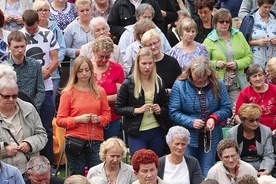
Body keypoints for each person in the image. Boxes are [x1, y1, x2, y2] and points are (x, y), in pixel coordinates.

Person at [168, 57, 232, 178]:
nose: (200, 80)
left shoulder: (218, 84)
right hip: (187, 136)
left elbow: (227, 108)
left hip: (211, 136)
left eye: (204, 77)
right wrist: (191, 121)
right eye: (197, 76)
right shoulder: (180, 85)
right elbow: (173, 112)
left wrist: (214, 118)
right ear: (191, 72)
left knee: (207, 170)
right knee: (188, 170)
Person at [56, 56, 111, 175]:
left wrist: (99, 119)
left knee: (97, 175)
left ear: (92, 71)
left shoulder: (99, 91)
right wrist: (77, 119)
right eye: (80, 71)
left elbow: (107, 115)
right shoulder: (68, 93)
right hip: (75, 139)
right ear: (75, 73)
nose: (84, 74)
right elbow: (60, 120)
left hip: (95, 139)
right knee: (78, 175)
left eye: (87, 70)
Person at [21, 9, 59, 165]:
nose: (31, 32)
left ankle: (47, 164)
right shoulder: (19, 35)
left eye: (34, 28)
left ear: (39, 21)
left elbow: (55, 59)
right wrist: (37, 72)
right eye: (28, 29)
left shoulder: (48, 34)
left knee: (46, 129)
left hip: (47, 87)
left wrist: (47, 72)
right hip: (25, 89)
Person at [115, 47, 168, 157]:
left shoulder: (158, 81)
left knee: (155, 164)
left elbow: (165, 107)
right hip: (136, 131)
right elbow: (118, 108)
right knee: (138, 163)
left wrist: (159, 110)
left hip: (156, 129)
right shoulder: (129, 82)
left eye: (150, 63)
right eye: (144, 63)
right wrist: (136, 110)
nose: (147, 67)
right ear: (137, 64)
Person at [203, 8, 252, 106]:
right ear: (215, 23)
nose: (225, 24)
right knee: (220, 110)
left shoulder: (239, 35)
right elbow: (202, 62)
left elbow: (249, 57)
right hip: (217, 83)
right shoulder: (209, 40)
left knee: (238, 109)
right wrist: (215, 64)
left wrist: (237, 64)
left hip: (237, 82)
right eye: (221, 22)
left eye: (227, 21)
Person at [0, 76, 47, 174]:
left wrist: (29, 144)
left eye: (14, 96)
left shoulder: (29, 109)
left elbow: (42, 136)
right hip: (3, 173)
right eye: (6, 96)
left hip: (29, 171)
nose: (11, 99)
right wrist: (4, 149)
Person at [91, 36, 124, 140]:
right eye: (101, 56)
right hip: (90, 117)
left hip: (111, 118)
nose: (104, 60)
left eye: (108, 57)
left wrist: (99, 99)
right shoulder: (85, 67)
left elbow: (120, 96)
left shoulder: (117, 69)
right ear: (94, 52)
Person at [33, 0, 66, 105]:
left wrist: (51, 66)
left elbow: (62, 48)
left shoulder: (55, 28)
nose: (43, 12)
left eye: (46, 10)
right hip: (34, 73)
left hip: (53, 73)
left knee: (49, 104)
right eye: (40, 10)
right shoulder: (30, 28)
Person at [227, 103, 274, 176]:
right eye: (251, 120)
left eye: (257, 120)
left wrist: (265, 170)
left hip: (260, 166)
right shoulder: (231, 133)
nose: (255, 123)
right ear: (242, 119)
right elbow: (233, 156)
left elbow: (268, 155)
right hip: (240, 167)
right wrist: (247, 170)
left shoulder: (266, 131)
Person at [6, 30, 45, 110]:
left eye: (22, 46)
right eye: (16, 47)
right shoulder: (4, 68)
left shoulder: (35, 65)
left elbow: (41, 90)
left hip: (32, 109)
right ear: (9, 47)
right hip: (11, 110)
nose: (20, 50)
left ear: (26, 45)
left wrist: (33, 107)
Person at [234, 64, 276, 133]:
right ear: (249, 79)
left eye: (260, 75)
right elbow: (238, 116)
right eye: (254, 76)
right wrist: (249, 130)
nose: (258, 79)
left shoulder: (274, 90)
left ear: (265, 76)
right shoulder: (245, 93)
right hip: (253, 132)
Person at [141, 29, 182, 95]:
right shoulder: (141, 63)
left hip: (169, 100)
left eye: (155, 43)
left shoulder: (172, 62)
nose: (153, 47)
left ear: (160, 42)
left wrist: (167, 92)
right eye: (149, 45)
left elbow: (180, 86)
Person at [239, 0, 276, 69]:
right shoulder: (249, 19)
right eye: (265, 7)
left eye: (269, 7)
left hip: (273, 64)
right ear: (258, 5)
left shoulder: (274, 18)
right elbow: (241, 43)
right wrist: (256, 42)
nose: (267, 10)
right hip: (255, 61)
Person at [64, 0, 94, 68]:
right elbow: (65, 49)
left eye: (87, 10)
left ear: (91, 9)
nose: (85, 13)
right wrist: (79, 51)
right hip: (77, 65)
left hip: (96, 64)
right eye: (82, 11)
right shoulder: (70, 27)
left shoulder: (97, 24)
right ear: (77, 12)